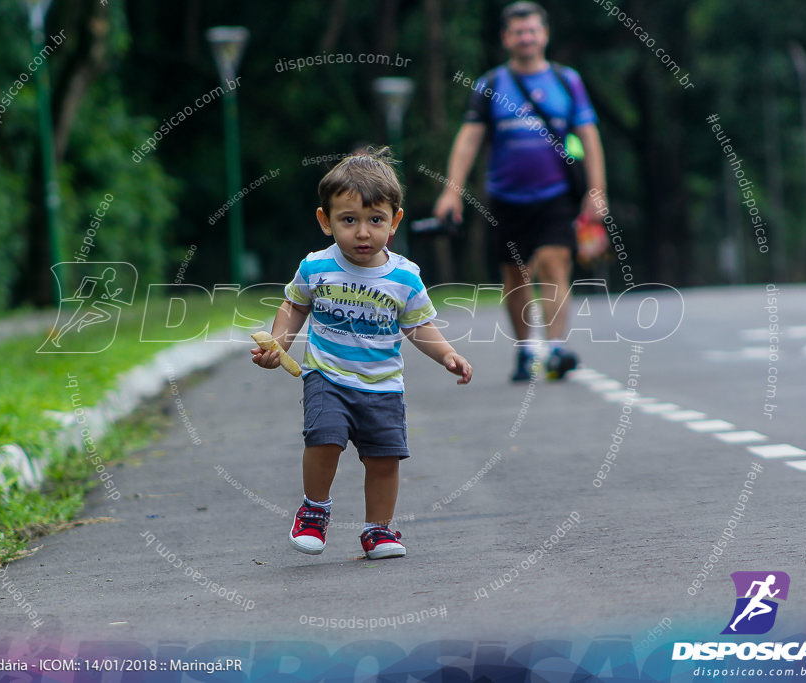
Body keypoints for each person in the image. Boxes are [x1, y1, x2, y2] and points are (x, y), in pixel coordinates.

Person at [251, 150, 472, 560]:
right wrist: (278, 344)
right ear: (325, 221)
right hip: (326, 376)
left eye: (375, 220)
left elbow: (417, 325)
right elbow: (294, 306)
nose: (363, 232)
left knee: (385, 459)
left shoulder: (404, 276)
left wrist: (447, 354)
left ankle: (379, 530)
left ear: (395, 222)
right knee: (324, 440)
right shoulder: (316, 267)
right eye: (348, 220)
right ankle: (314, 511)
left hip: (383, 384)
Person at [434, 1, 607, 382]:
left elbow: (589, 136)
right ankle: (527, 351)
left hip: (555, 195)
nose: (526, 37)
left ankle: (557, 348)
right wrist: (452, 191)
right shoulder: (490, 84)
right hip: (506, 198)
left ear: (544, 35)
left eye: (532, 30)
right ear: (506, 38)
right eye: (518, 31)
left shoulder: (567, 81)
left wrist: (596, 191)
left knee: (553, 262)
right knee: (514, 274)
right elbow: (469, 140)